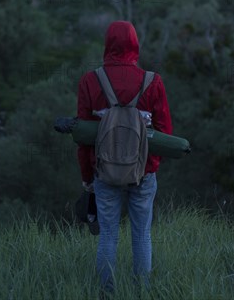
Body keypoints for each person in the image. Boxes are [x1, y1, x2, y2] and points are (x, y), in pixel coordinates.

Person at [76, 21, 173, 295]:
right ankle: (141, 293)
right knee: (141, 235)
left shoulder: (90, 80)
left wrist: (87, 178)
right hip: (142, 173)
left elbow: (82, 138)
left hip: (103, 173)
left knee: (108, 235)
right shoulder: (153, 81)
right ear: (134, 44)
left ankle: (107, 294)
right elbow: (165, 132)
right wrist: (148, 167)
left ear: (107, 44)